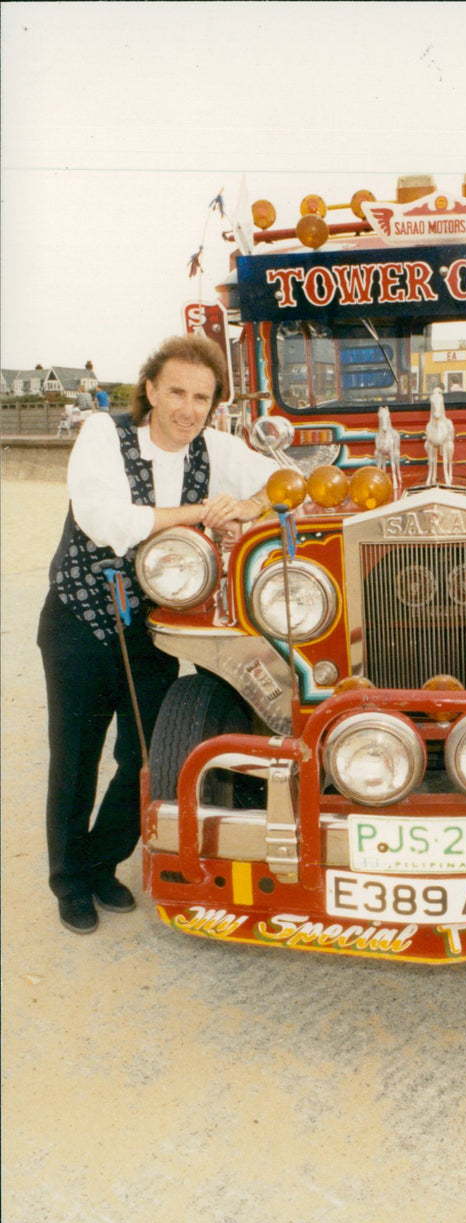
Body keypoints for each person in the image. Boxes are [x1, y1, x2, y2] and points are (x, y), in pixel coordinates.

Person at [38, 334, 276, 935]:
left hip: (155, 628)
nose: (187, 408)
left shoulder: (216, 448)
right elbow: (106, 519)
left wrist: (248, 508)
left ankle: (101, 863)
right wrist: (203, 513)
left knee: (145, 753)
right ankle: (68, 882)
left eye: (202, 397)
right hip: (80, 622)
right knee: (76, 758)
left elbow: (286, 485)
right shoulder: (103, 433)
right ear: (149, 389)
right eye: (176, 391)